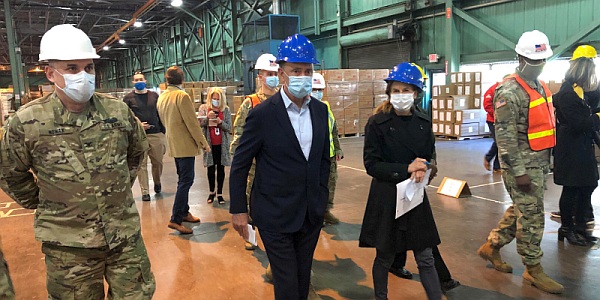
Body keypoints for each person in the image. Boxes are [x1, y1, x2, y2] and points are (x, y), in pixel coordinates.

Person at [0, 24, 155, 299]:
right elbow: (11, 173)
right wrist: (45, 201)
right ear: (50, 73)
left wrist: (116, 189)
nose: (83, 76)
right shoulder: (26, 122)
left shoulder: (117, 112)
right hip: (68, 246)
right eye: (72, 68)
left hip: (123, 237)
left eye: (89, 68)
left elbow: (136, 152)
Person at [229, 34, 330, 300]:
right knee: (286, 283)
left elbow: (322, 161)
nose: (303, 76)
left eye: (308, 71)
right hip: (274, 213)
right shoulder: (262, 114)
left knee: (302, 275)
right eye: (296, 70)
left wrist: (322, 198)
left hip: (309, 213)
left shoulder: (320, 112)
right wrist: (239, 209)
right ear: (282, 73)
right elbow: (240, 163)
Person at [477, 30, 564, 294]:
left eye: (541, 60)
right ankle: (533, 268)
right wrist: (518, 173)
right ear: (519, 57)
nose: (537, 65)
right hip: (522, 168)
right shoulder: (509, 92)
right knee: (533, 218)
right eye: (532, 59)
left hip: (539, 163)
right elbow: (504, 139)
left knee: (521, 210)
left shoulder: (540, 86)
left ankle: (491, 247)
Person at [360, 62, 443, 300]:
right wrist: (406, 168)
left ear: (416, 94)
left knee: (425, 256)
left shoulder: (423, 122)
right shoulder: (377, 123)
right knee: (385, 256)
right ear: (389, 93)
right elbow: (372, 165)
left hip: (415, 195)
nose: (401, 96)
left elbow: (429, 155)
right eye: (396, 91)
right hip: (387, 196)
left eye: (406, 91)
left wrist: (426, 169)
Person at [230, 53, 280, 251]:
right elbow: (239, 135)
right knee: (251, 200)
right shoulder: (250, 103)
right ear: (259, 76)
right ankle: (249, 235)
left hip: (275, 164)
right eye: (268, 73)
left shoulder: (285, 101)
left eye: (275, 73)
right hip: (254, 165)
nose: (273, 77)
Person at [553, 44, 600, 246]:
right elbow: (579, 123)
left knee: (588, 184)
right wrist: (598, 117)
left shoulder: (581, 91)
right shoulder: (567, 93)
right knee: (571, 189)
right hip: (570, 148)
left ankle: (580, 227)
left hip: (582, 146)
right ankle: (566, 228)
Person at [157, 66, 211, 234]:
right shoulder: (182, 96)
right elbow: (192, 124)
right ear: (182, 79)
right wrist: (204, 143)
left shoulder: (163, 97)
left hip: (173, 143)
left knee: (183, 178)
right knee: (186, 181)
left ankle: (185, 211)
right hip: (185, 145)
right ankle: (175, 218)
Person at [123, 71, 166, 201]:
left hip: (156, 133)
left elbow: (160, 113)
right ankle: (145, 191)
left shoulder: (154, 96)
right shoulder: (128, 98)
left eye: (141, 79)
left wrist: (163, 130)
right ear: (133, 82)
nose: (139, 82)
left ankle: (157, 182)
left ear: (145, 81)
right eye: (136, 80)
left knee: (157, 162)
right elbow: (126, 116)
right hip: (139, 135)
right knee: (142, 164)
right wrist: (138, 124)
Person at [311, 73, 343, 225]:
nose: (317, 92)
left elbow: (333, 129)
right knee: (314, 186)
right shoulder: (304, 109)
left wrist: (337, 148)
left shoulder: (325, 107)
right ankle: (315, 213)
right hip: (313, 157)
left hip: (329, 155)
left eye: (320, 89)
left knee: (330, 184)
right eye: (314, 89)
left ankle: (325, 211)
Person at [198, 87, 232, 205]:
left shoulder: (226, 110)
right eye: (213, 99)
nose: (215, 101)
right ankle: (211, 192)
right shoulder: (204, 108)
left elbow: (229, 127)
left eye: (218, 99)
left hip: (222, 144)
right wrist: (207, 117)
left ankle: (220, 193)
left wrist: (220, 122)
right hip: (209, 144)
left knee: (221, 168)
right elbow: (200, 124)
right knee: (211, 168)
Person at [483, 82, 501, 172]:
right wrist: (496, 114)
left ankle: (497, 166)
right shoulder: (493, 90)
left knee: (502, 143)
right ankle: (488, 158)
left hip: (503, 121)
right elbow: (487, 105)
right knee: (498, 142)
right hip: (492, 120)